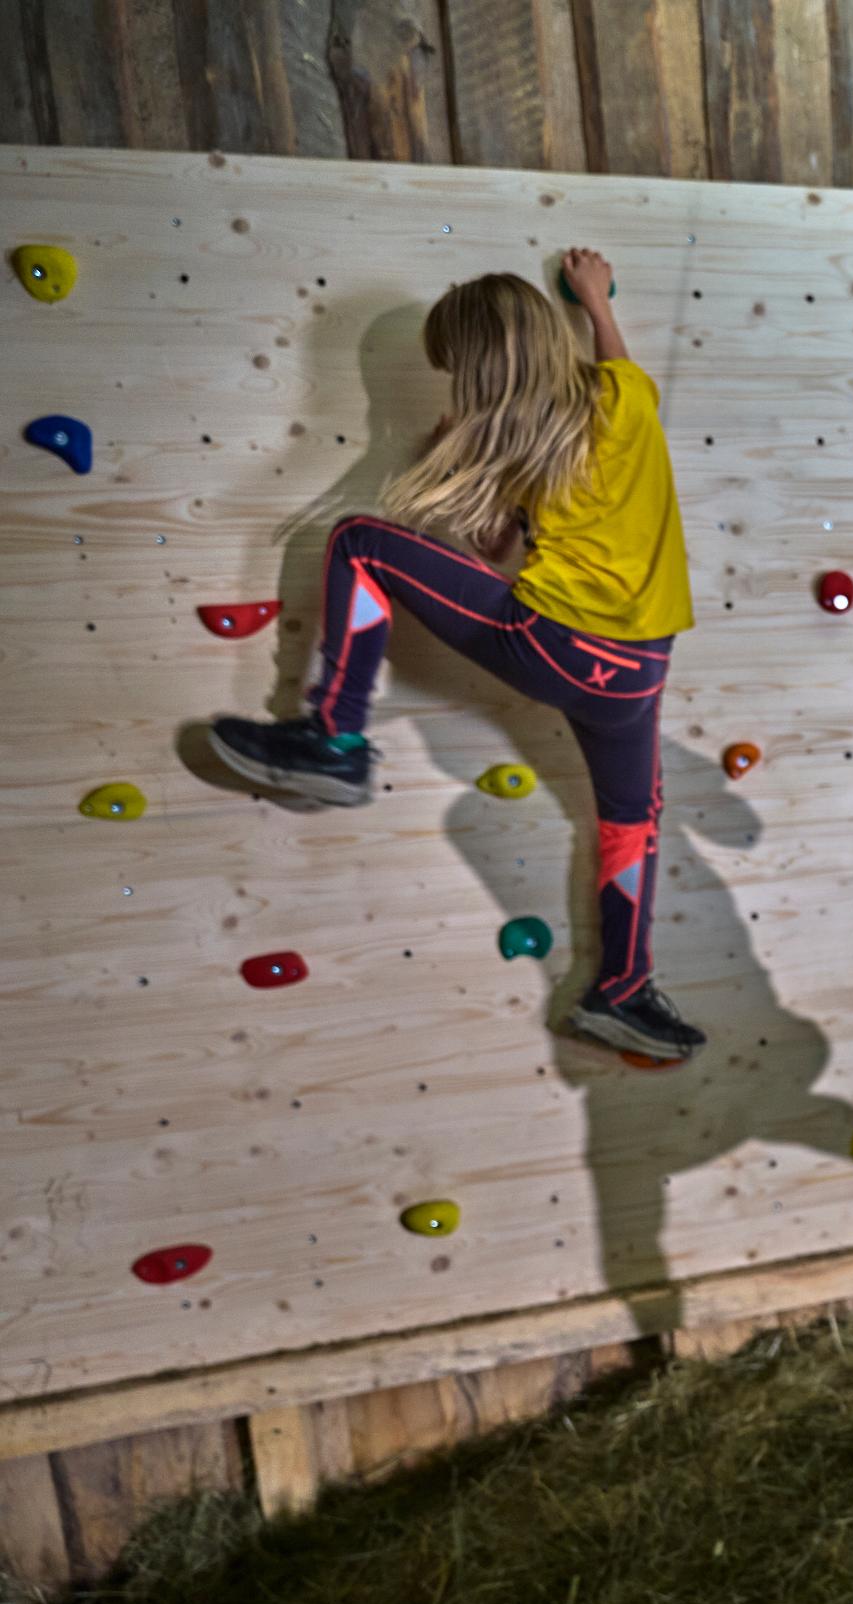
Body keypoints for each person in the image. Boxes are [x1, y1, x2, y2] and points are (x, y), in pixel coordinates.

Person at [208, 250, 704, 1061]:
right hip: (638, 677)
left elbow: (494, 549)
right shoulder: (627, 397)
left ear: (478, 367)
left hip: (553, 645)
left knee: (360, 541)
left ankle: (334, 739)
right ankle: (622, 990)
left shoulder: (504, 442)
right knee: (631, 821)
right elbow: (613, 363)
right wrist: (595, 303)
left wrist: (463, 466)